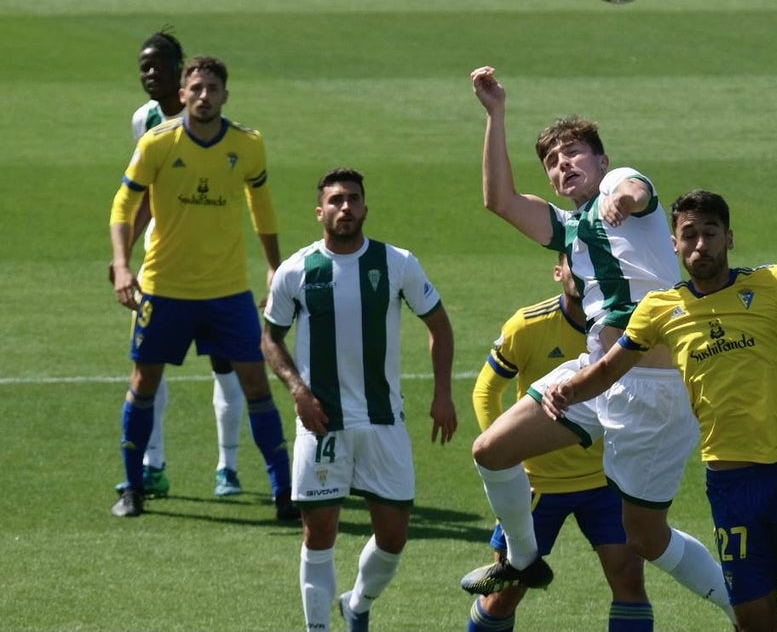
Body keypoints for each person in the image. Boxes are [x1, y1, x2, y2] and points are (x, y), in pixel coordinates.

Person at [543, 190, 777, 632]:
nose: (701, 244)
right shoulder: (660, 310)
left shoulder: (771, 283)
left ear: (729, 238)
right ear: (674, 244)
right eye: (690, 235)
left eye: (711, 233)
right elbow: (609, 370)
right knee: (755, 620)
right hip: (731, 483)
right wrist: (566, 391)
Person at [460, 66, 735, 627]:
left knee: (648, 539)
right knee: (490, 450)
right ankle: (521, 559)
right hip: (596, 376)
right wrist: (496, 115)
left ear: (601, 161)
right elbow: (500, 200)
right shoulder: (568, 229)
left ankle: (741, 610)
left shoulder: (619, 185)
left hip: (654, 394)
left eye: (574, 154)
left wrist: (624, 201)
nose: (563, 165)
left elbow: (637, 191)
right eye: (554, 161)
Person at [262, 167, 458, 632]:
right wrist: (298, 391)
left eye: (353, 199)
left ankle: (359, 602)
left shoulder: (397, 263)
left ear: (365, 208)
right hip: (322, 422)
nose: (345, 207)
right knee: (320, 533)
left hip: (383, 420)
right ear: (319, 212)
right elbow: (271, 337)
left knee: (393, 537)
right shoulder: (296, 269)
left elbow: (440, 326)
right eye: (335, 200)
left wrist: (443, 394)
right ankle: (318, 629)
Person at [108, 54, 295, 520]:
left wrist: (274, 268)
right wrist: (121, 263)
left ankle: (284, 492)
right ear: (183, 94)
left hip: (226, 291)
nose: (204, 96)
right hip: (163, 287)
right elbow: (123, 204)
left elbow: (262, 207)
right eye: (197, 88)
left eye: (213, 88)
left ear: (225, 95)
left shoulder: (248, 145)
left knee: (256, 382)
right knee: (143, 382)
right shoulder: (157, 143)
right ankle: (133, 487)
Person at [468, 254, 650, 632]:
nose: (584, 273)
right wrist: (506, 458)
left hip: (604, 482)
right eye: (575, 264)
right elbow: (486, 390)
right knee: (505, 593)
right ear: (558, 272)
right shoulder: (528, 324)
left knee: (630, 582)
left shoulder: (624, 326)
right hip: (537, 487)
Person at [112, 30, 249, 500]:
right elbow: (143, 196)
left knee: (224, 363)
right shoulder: (144, 121)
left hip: (213, 266)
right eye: (143, 67)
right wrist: (124, 256)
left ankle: (227, 467)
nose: (149, 74)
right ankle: (153, 465)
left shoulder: (218, 128)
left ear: (180, 71)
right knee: (148, 366)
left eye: (158, 66)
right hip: (160, 263)